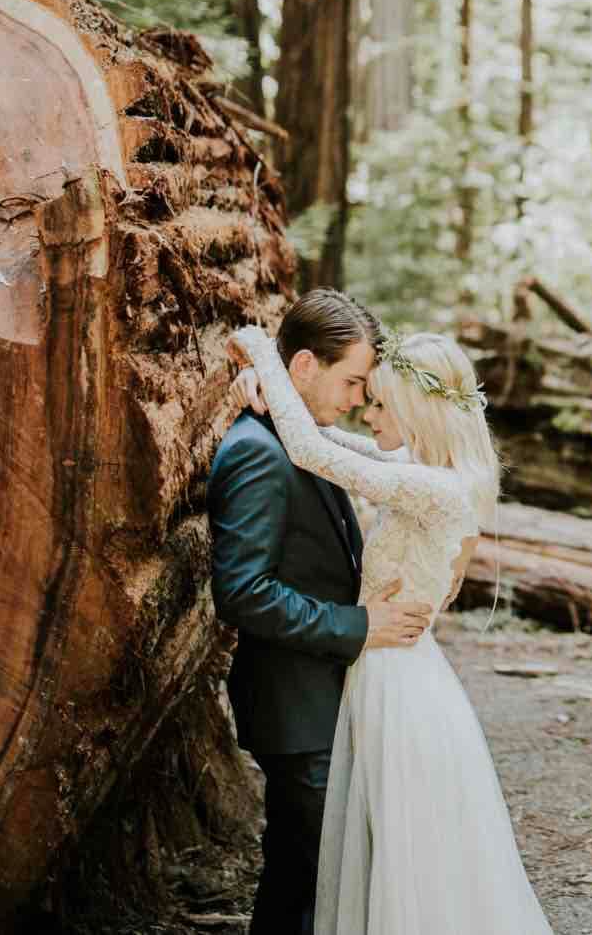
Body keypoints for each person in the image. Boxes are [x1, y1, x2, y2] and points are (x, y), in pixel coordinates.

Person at [227, 321, 555, 935]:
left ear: (417, 409)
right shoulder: (422, 467)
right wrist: (267, 388)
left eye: (379, 403)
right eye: (366, 396)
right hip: (385, 667)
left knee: (393, 852)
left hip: (397, 679)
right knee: (378, 849)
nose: (367, 414)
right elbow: (328, 437)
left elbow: (313, 452)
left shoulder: (433, 486)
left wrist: (257, 351)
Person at [208, 289, 433, 935]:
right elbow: (244, 592)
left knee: (304, 879)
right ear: (303, 366)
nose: (359, 399)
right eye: (352, 380)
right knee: (311, 882)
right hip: (295, 706)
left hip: (323, 699)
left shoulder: (305, 437)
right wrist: (359, 627)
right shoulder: (258, 450)